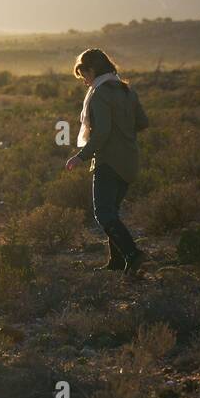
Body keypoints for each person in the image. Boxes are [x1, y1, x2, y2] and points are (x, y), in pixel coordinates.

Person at [65, 48, 149, 273]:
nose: (84, 81)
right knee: (112, 210)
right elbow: (142, 122)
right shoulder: (126, 90)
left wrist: (80, 156)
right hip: (130, 159)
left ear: (92, 70)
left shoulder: (100, 94)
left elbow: (101, 133)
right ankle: (117, 261)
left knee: (103, 213)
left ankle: (133, 254)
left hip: (108, 161)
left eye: (84, 75)